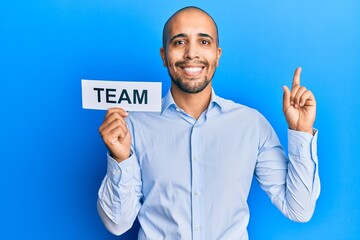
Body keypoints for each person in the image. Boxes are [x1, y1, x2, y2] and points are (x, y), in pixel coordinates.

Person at [97, 6, 320, 240]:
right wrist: (120, 159)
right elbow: (117, 224)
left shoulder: (251, 124)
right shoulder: (132, 126)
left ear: (217, 55)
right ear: (164, 56)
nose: (192, 53)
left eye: (204, 42)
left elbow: (299, 209)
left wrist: (301, 131)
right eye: (179, 42)